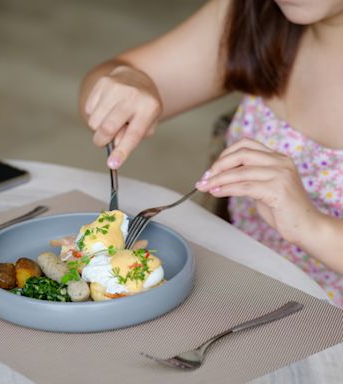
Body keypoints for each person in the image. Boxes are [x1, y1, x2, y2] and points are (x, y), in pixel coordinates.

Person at [79, 0, 343, 307]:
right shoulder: (257, 12)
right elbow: (105, 79)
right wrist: (127, 81)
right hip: (239, 294)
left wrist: (310, 225)